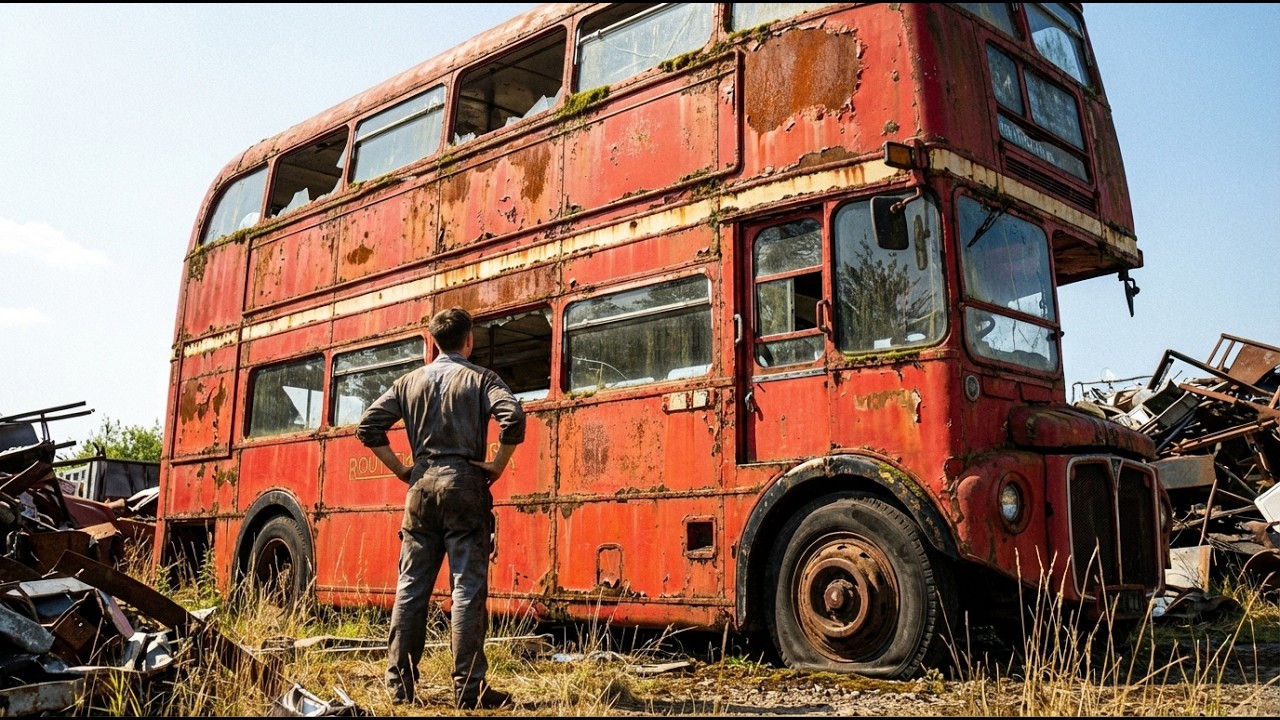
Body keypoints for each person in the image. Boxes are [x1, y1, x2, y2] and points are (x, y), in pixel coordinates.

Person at [355, 306, 526, 710]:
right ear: (468, 340)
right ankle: (470, 690)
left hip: (420, 488)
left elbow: (367, 427)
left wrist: (401, 468)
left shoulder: (408, 382)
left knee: (411, 587)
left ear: (432, 341)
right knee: (466, 588)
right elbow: (513, 417)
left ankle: (401, 689)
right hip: (465, 484)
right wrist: (497, 466)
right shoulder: (481, 378)